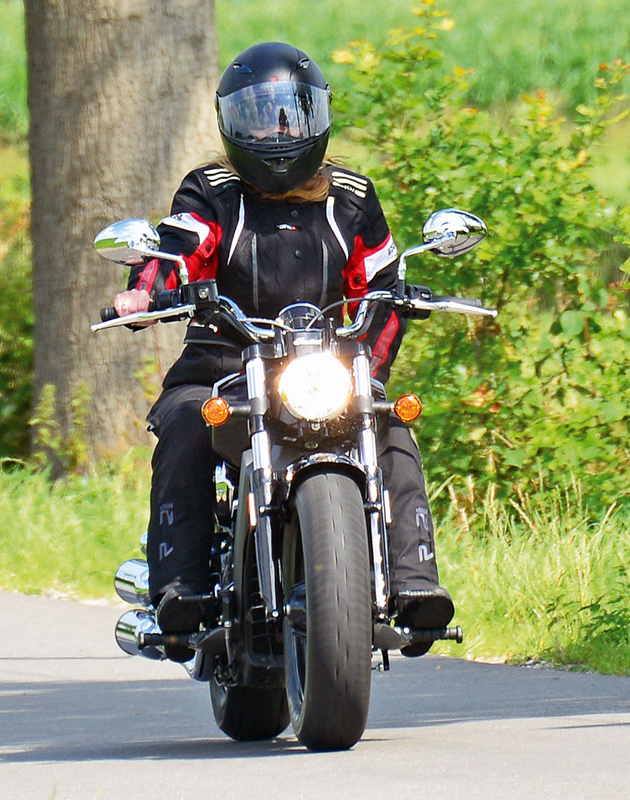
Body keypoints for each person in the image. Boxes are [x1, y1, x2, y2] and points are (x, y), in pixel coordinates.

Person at [114, 42, 454, 660]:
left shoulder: (351, 198)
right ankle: (179, 587)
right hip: (223, 368)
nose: (275, 131)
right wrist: (145, 293)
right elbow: (177, 249)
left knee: (389, 423)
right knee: (189, 425)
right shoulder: (212, 192)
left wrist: (385, 334)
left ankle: (414, 583)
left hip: (322, 367)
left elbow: (380, 279)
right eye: (257, 115)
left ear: (316, 119)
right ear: (230, 123)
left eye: (288, 114)